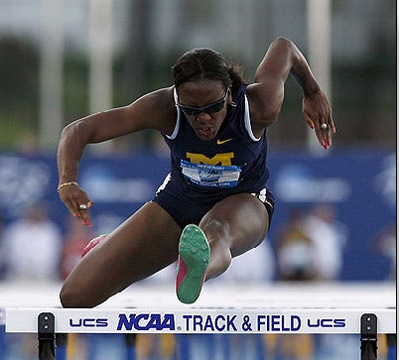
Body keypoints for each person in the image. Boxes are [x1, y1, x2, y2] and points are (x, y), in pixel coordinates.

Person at [57, 37, 335, 307]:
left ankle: (197, 267)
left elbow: (284, 48)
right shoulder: (162, 107)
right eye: (191, 110)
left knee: (217, 230)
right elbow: (77, 130)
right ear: (177, 97)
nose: (203, 118)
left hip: (244, 201)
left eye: (213, 108)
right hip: (179, 201)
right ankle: (116, 245)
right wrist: (67, 181)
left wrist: (312, 91)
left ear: (228, 93)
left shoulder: (259, 105)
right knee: (74, 296)